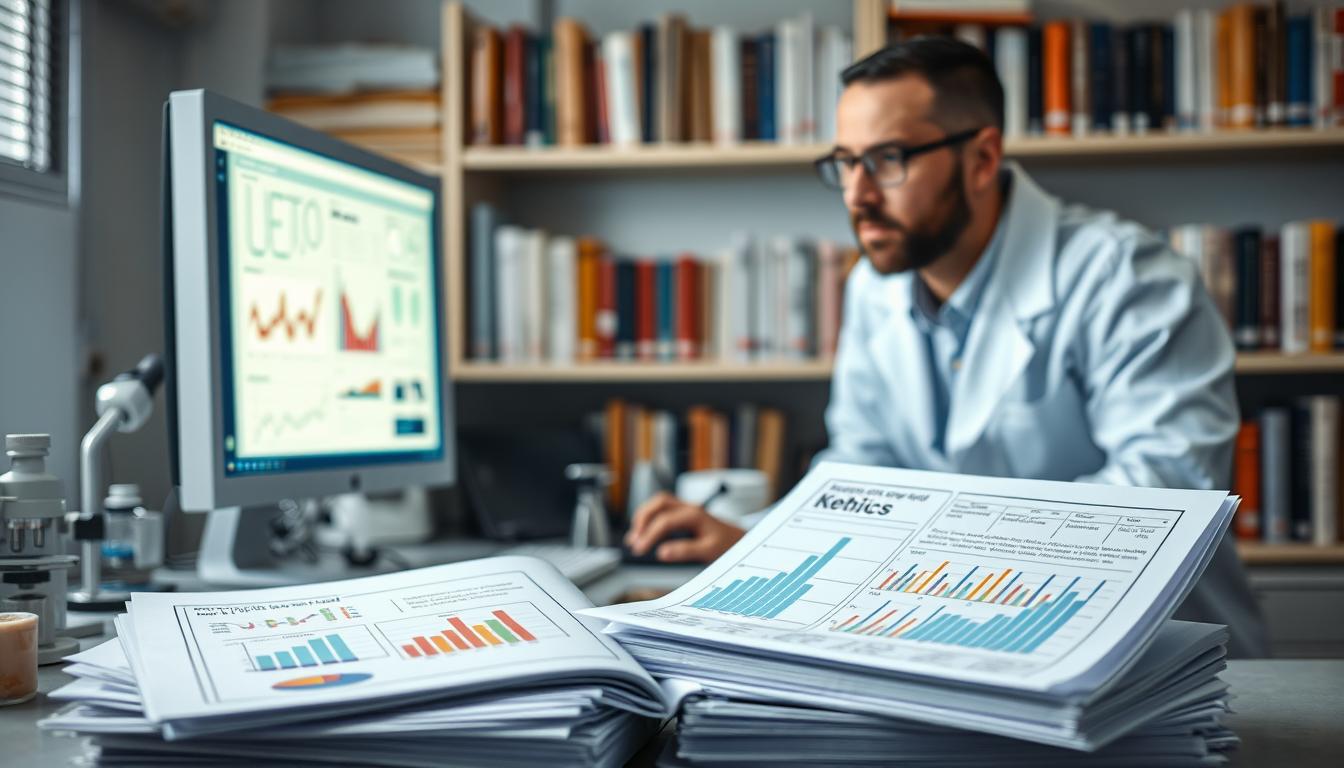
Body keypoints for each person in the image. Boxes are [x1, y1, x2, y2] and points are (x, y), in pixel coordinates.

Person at [626, 37, 1269, 658]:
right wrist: (755, 538)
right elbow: (861, 469)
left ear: (982, 159)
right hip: (960, 640)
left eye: (888, 159)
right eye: (846, 163)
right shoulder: (873, 289)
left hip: (1152, 657)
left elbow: (1164, 494)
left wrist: (933, 549)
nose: (858, 195)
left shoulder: (1127, 276)